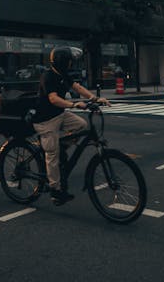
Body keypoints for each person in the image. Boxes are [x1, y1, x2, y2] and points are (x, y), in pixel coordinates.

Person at [33, 47, 108, 206]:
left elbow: (77, 87)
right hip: (45, 119)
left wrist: (95, 98)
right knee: (52, 154)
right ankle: (55, 190)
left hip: (59, 114)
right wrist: (73, 104)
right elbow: (53, 99)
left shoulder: (63, 75)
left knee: (81, 125)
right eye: (69, 61)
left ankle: (61, 146)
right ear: (62, 62)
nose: (70, 64)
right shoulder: (48, 76)